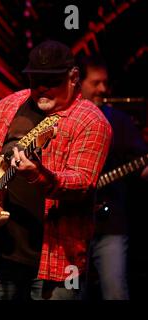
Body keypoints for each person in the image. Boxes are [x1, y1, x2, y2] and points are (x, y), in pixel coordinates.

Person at [0, 40, 112, 300]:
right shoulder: (11, 104)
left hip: (56, 264)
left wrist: (37, 175)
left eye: (51, 81)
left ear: (73, 77)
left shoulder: (91, 121)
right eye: (35, 80)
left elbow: (83, 181)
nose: (41, 88)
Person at [79, 55, 148, 300]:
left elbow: (142, 166)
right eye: (96, 83)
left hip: (110, 228)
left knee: (115, 293)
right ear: (78, 82)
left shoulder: (119, 121)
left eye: (105, 83)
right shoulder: (62, 120)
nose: (103, 89)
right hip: (70, 229)